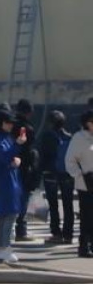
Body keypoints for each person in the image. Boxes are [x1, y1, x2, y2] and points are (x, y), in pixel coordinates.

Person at [0, 108, 27, 262]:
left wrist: (15, 154)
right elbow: (5, 156)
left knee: (4, 215)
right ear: (1, 123)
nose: (11, 125)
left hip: (7, 179)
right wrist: (17, 145)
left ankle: (0, 248)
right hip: (4, 180)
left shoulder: (2, 137)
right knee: (10, 214)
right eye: (8, 122)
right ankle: (5, 248)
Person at [40, 109, 75, 245]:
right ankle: (68, 234)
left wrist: (40, 172)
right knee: (68, 205)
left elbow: (43, 155)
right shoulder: (70, 137)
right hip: (67, 174)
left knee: (53, 205)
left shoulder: (47, 136)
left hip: (51, 174)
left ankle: (56, 233)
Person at [64, 110, 93, 258]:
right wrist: (80, 175)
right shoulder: (79, 138)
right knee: (87, 217)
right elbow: (70, 161)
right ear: (88, 123)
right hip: (86, 184)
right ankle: (84, 246)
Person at [13, 98, 40, 242]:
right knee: (24, 198)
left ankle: (10, 228)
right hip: (25, 167)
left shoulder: (10, 125)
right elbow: (29, 147)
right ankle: (21, 230)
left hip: (11, 164)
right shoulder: (26, 128)